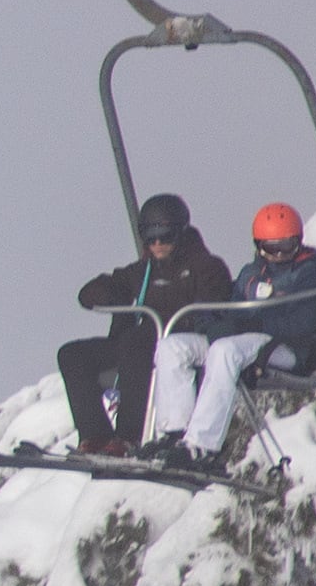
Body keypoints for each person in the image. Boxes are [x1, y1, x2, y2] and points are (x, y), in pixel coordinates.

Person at [138, 202, 316, 462]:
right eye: (272, 248)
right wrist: (212, 323)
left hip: (285, 348)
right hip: (247, 342)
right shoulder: (251, 274)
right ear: (259, 246)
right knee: (173, 347)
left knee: (225, 351)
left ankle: (201, 446)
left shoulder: (308, 277)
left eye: (287, 247)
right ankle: (174, 431)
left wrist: (251, 325)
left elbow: (300, 324)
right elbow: (232, 307)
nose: (279, 255)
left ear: (298, 243)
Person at [59, 193, 236, 454]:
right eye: (150, 238)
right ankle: (95, 434)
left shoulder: (205, 266)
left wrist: (188, 320)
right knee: (72, 354)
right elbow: (102, 288)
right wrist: (108, 294)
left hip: (180, 344)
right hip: (141, 344)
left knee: (136, 340)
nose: (157, 245)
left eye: (165, 237)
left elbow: (215, 304)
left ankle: (128, 436)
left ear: (180, 233)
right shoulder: (144, 271)